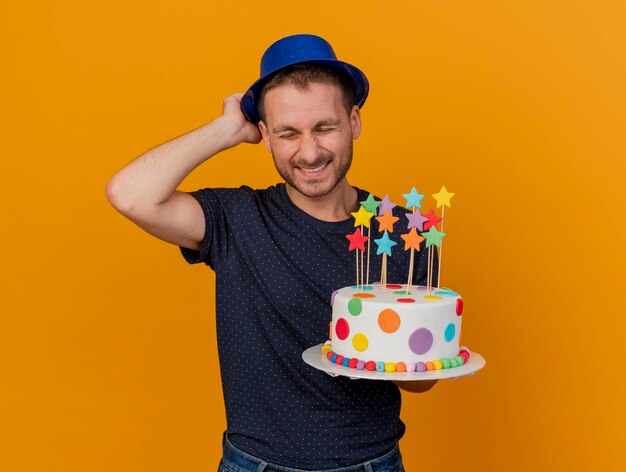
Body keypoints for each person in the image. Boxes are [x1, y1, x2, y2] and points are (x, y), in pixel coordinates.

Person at [106, 34, 437, 472]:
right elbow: (129, 195)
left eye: (325, 127)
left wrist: (387, 346)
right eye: (287, 133)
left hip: (371, 462)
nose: (310, 152)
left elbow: (422, 383)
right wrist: (225, 130)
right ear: (264, 135)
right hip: (255, 463)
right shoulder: (236, 218)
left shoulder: (402, 231)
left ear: (354, 121)